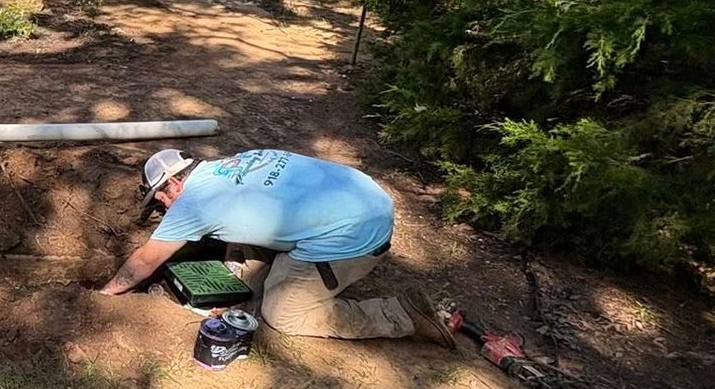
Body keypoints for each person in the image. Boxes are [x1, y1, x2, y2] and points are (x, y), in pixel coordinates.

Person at [101, 147, 454, 346]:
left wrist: (102, 296)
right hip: (367, 199)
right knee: (240, 234)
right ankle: (242, 288)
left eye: (159, 199)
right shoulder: (230, 164)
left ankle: (401, 315)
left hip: (353, 236)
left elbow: (145, 261)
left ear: (174, 183)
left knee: (282, 312)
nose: (162, 207)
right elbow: (250, 213)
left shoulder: (192, 203)